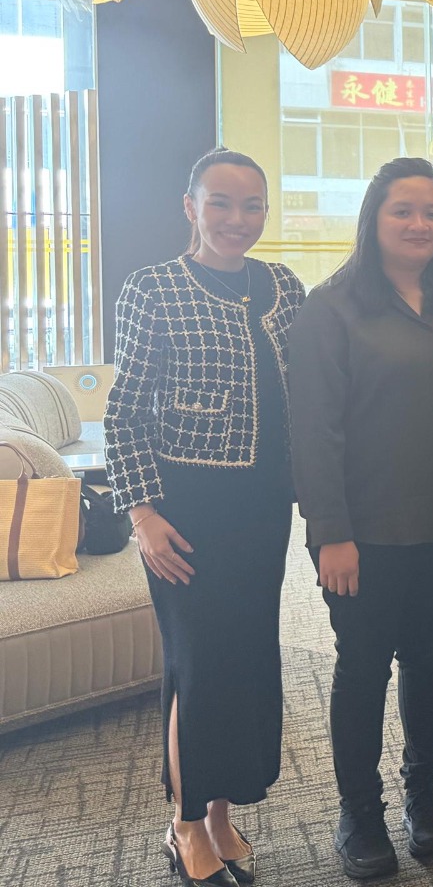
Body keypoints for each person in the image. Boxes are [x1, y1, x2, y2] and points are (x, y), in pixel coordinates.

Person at [105, 147, 303, 887]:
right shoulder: (153, 287)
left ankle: (220, 816)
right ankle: (185, 824)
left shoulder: (282, 286)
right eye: (220, 202)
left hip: (262, 510)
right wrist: (142, 514)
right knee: (198, 663)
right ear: (190, 206)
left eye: (252, 205)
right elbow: (124, 414)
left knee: (245, 659)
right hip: (184, 513)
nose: (236, 219)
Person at [288, 158, 433, 880]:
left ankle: (424, 795)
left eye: (432, 212)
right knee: (363, 666)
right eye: (403, 210)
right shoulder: (332, 307)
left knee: (429, 660)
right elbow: (314, 431)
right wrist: (330, 532)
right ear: (373, 218)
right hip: (360, 533)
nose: (418, 224)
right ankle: (360, 812)